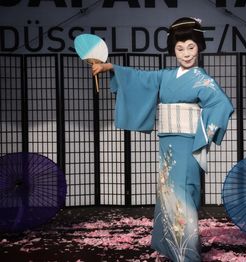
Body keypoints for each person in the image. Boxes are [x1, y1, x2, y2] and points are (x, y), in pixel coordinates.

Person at [91, 17, 234, 262]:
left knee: (183, 193)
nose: (186, 53)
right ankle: (170, 246)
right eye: (180, 48)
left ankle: (186, 253)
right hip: (167, 142)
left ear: (199, 46)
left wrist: (203, 135)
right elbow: (140, 79)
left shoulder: (203, 80)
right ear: (173, 50)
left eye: (191, 46)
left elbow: (222, 104)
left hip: (188, 143)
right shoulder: (167, 76)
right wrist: (110, 68)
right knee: (168, 192)